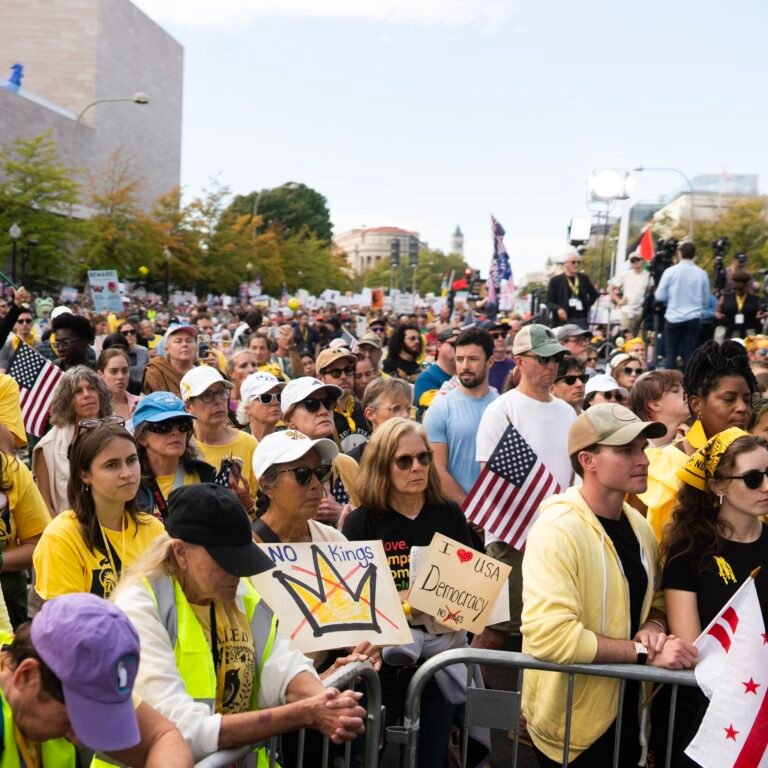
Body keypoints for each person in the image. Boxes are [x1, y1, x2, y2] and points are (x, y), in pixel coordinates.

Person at [111, 483, 367, 762]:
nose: (237, 571)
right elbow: (181, 731)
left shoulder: (236, 590)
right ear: (181, 553)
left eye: (242, 559)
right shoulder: (137, 609)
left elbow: (280, 663)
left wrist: (326, 701)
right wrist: (305, 713)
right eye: (225, 560)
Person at [521, 404, 697, 767]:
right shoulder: (557, 529)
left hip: (629, 717)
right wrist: (644, 654)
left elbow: (657, 599)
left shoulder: (639, 525)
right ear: (588, 460)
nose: (643, 459)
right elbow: (552, 637)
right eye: (625, 450)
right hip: (572, 731)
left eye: (642, 448)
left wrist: (653, 627)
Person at [342, 418, 479, 768]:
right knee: (371, 755)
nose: (416, 467)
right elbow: (355, 599)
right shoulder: (362, 522)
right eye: (404, 460)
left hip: (440, 659)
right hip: (381, 663)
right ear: (382, 465)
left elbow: (470, 592)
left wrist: (413, 599)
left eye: (424, 457)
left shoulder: (448, 514)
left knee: (430, 755)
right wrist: (412, 602)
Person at [662, 429, 768, 766]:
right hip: (713, 718)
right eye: (753, 478)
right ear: (719, 485)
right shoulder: (689, 551)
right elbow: (693, 646)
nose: (766, 486)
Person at [473, 325, 576, 654]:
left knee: (545, 629)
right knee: (497, 630)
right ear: (519, 361)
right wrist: (529, 535)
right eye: (543, 357)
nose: (552, 365)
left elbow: (575, 474)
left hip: (558, 539)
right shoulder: (502, 409)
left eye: (556, 358)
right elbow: (492, 480)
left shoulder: (567, 411)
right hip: (510, 538)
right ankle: (474, 699)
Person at [0, 593, 193, 767]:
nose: (78, 738)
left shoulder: (79, 678)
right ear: (27, 676)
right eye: (70, 720)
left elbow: (162, 737)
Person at [639, 339, 758, 540]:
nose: (742, 408)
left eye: (747, 400)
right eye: (729, 399)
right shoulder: (656, 467)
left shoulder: (761, 464)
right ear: (696, 404)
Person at [33, 421, 165, 600]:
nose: (126, 473)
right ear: (85, 475)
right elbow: (68, 621)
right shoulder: (61, 537)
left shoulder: (153, 529)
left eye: (131, 460)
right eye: (112, 465)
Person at [424, 328, 498, 506]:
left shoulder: (503, 408)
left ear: (490, 361)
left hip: (498, 516)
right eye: (459, 359)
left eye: (472, 359)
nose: (464, 366)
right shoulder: (441, 408)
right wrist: (471, 510)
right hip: (454, 516)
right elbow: (436, 470)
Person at [32, 366, 114, 516]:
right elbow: (43, 504)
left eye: (92, 388)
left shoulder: (120, 433)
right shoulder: (48, 446)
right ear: (67, 401)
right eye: (78, 391)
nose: (87, 395)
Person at [281, 377, 361, 522]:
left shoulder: (347, 464)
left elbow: (369, 522)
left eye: (328, 403)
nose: (324, 411)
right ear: (289, 419)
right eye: (312, 405)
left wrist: (342, 512)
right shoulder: (278, 466)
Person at [133, 392, 217, 522]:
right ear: (142, 438)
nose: (176, 432)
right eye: (164, 426)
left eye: (183, 424)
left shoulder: (204, 475)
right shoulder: (131, 484)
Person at [180, 366, 259, 505]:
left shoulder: (249, 444)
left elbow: (268, 511)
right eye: (207, 395)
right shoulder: (181, 446)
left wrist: (247, 503)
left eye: (221, 392)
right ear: (188, 406)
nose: (218, 401)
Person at [654, 241, 711, 370]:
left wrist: (671, 298)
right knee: (690, 355)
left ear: (679, 253)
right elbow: (706, 300)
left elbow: (660, 296)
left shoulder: (670, 272)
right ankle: (689, 385)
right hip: (693, 318)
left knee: (671, 355)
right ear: (694, 255)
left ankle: (670, 385)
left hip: (673, 317)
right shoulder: (701, 274)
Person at [315, 347, 370, 453]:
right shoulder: (319, 418)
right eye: (336, 372)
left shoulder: (366, 410)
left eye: (348, 370)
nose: (344, 376)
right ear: (320, 378)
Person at [628, 369, 689, 447]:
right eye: (675, 390)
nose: (686, 394)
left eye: (684, 388)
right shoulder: (639, 449)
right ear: (655, 405)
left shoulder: (691, 435)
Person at [413, 327, 459, 421]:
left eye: (463, 345)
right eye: (454, 344)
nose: (459, 349)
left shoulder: (468, 377)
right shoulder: (426, 379)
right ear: (439, 346)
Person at [545, 251, 599, 329]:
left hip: (581, 318)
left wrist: (587, 304)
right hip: (564, 319)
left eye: (578, 262)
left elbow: (594, 294)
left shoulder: (583, 278)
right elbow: (549, 302)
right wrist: (559, 309)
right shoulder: (555, 280)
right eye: (573, 262)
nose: (576, 264)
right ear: (566, 263)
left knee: (581, 339)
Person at [142, 324, 198, 397]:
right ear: (167, 348)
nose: (185, 344)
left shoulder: (203, 373)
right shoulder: (155, 371)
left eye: (189, 341)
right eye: (178, 341)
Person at [236, 371, 285, 441]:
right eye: (265, 397)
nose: (276, 402)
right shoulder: (238, 443)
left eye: (279, 396)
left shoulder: (291, 438)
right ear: (247, 408)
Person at [715, 270, 762, 341]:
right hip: (729, 331)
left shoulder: (755, 299)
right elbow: (718, 311)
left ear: (746, 286)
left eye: (741, 289)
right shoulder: (725, 297)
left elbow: (760, 312)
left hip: (748, 332)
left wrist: (760, 315)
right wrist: (718, 315)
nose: (739, 291)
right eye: (736, 289)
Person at [96, 348, 141, 422]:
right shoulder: (94, 408)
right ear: (100, 374)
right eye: (113, 371)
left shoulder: (141, 404)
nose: (120, 376)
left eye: (125, 371)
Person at [616, 252, 651, 334]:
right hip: (627, 311)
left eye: (637, 259)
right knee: (626, 339)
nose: (635, 262)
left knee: (641, 341)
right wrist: (619, 301)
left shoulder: (648, 275)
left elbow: (652, 291)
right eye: (632, 260)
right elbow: (610, 288)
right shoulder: (625, 275)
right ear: (630, 263)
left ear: (642, 260)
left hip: (642, 312)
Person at [118, 320, 150, 394]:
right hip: (122, 391)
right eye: (125, 333)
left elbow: (148, 372)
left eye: (132, 332)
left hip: (142, 391)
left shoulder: (143, 350)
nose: (129, 335)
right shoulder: (117, 352)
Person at [226, 348, 258, 420]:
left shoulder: (265, 399)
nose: (251, 370)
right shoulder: (223, 403)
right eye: (243, 366)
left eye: (254, 365)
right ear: (231, 373)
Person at [487, 321, 515, 392]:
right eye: (495, 336)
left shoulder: (514, 365)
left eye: (503, 335)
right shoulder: (482, 366)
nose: (501, 339)